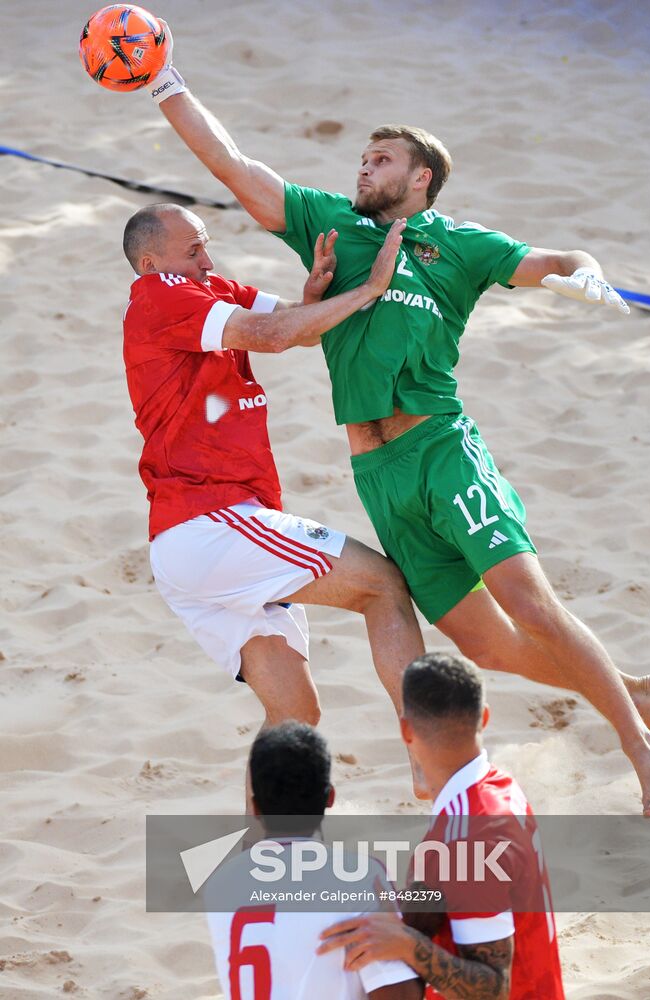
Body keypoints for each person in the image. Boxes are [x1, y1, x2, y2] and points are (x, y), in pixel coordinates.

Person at [140, 48, 650, 816]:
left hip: (439, 449)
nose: (362, 169)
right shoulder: (329, 226)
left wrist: (580, 269)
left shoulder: (458, 245)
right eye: (362, 157)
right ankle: (639, 689)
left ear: (419, 179)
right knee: (484, 646)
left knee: (530, 608)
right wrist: (167, 83)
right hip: (377, 476)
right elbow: (232, 164)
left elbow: (548, 258)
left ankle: (636, 739)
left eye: (380, 160)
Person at [122, 203, 427, 758]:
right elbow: (276, 335)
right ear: (151, 261)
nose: (207, 259)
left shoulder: (205, 289)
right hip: (212, 522)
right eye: (193, 250)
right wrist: (370, 288)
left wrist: (314, 297)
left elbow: (295, 325)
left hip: (195, 542)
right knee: (383, 586)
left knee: (294, 715)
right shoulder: (159, 295)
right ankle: (430, 753)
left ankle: (263, 847)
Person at [318, 652, 565, 999]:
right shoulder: (498, 785)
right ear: (485, 717)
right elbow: (454, 891)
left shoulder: (470, 839)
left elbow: (492, 988)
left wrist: (408, 946)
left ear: (406, 730)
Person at [204, 721, 423, 999]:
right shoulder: (360, 875)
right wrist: (415, 938)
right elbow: (399, 996)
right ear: (329, 797)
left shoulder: (220, 884)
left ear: (255, 807)